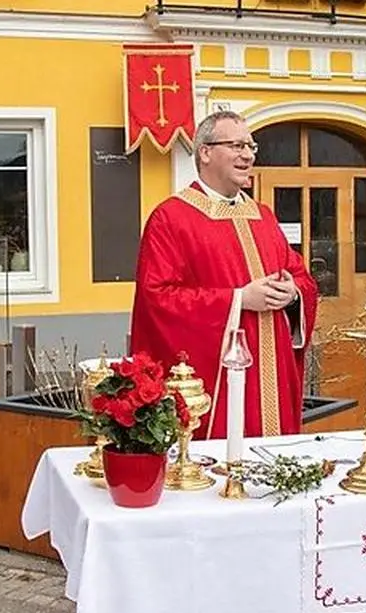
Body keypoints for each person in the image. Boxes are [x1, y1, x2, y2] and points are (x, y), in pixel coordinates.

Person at [130, 111, 318, 439]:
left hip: (271, 372)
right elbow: (156, 298)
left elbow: (300, 275)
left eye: (251, 146)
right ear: (205, 152)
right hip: (220, 376)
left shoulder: (263, 216)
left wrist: (293, 293)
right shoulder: (171, 218)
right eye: (237, 145)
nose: (248, 155)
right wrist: (238, 300)